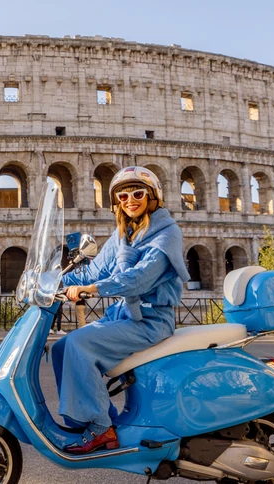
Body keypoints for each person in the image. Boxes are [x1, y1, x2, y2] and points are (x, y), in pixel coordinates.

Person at [51, 166, 190, 454]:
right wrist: (53, 281)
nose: (130, 200)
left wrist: (91, 290)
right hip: (127, 316)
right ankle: (90, 419)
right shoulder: (123, 235)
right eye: (123, 196)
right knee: (61, 347)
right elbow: (93, 272)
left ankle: (101, 428)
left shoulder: (167, 233)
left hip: (151, 320)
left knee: (79, 343)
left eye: (138, 193)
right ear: (116, 202)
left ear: (152, 196)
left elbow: (138, 279)